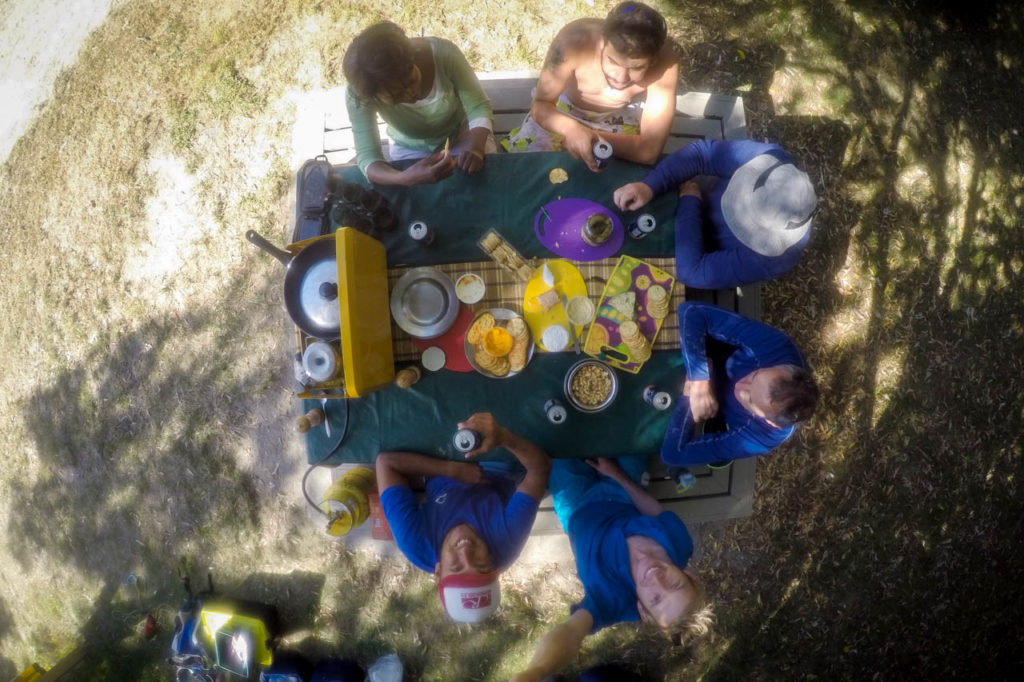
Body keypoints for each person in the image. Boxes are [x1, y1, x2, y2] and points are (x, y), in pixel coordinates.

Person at [510, 456, 711, 682]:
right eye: (676, 585)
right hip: (623, 493)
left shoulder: (610, 603)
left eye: (655, 599)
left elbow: (571, 633)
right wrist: (617, 475)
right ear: (689, 575)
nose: (658, 578)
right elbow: (657, 513)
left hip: (575, 503)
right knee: (627, 433)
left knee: (561, 447)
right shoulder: (680, 545)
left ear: (642, 610)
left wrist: (534, 672)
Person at [374, 413, 550, 623]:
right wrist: (503, 437)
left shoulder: (414, 543)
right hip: (498, 465)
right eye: (481, 565)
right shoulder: (507, 543)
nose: (466, 552)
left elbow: (386, 463)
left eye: (456, 567)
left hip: (438, 458)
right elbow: (540, 469)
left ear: (438, 572)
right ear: (495, 565)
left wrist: (451, 470)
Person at [613, 138, 818, 289]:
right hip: (692, 195)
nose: (737, 214)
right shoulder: (770, 159)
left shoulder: (775, 258)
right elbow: (701, 154)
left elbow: (691, 272)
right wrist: (649, 186)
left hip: (695, 245)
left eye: (747, 219)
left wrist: (690, 202)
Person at [501, 2, 679, 170]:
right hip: (561, 111)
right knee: (526, 170)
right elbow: (540, 105)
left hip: (619, 119)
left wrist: (591, 140)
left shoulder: (666, 63)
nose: (621, 77)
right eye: (612, 61)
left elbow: (649, 151)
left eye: (637, 68)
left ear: (653, 61)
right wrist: (569, 130)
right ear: (602, 42)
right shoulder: (574, 40)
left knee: (619, 186)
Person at [660, 301, 819, 468]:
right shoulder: (776, 346)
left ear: (771, 422)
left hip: (694, 393)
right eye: (754, 375)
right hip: (697, 357)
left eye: (750, 399)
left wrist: (690, 397)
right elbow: (691, 312)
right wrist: (699, 381)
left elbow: (674, 454)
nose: (740, 387)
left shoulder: (760, 437)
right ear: (779, 367)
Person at [342, 22, 496, 186]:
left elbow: (478, 106)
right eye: (396, 95)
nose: (411, 93)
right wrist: (403, 178)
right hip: (408, 147)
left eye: (411, 80)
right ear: (374, 96)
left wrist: (476, 149)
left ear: (413, 58)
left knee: (483, 179)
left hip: (460, 133)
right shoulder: (360, 93)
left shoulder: (443, 54)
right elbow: (367, 157)